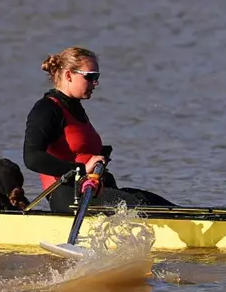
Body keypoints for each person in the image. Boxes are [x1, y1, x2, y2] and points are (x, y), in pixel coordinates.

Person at [23, 46, 174, 213]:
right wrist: (80, 169)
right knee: (142, 209)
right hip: (68, 195)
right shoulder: (46, 109)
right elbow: (32, 158)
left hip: (95, 190)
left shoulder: (75, 108)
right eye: (90, 77)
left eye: (97, 77)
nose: (95, 83)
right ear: (68, 75)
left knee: (163, 206)